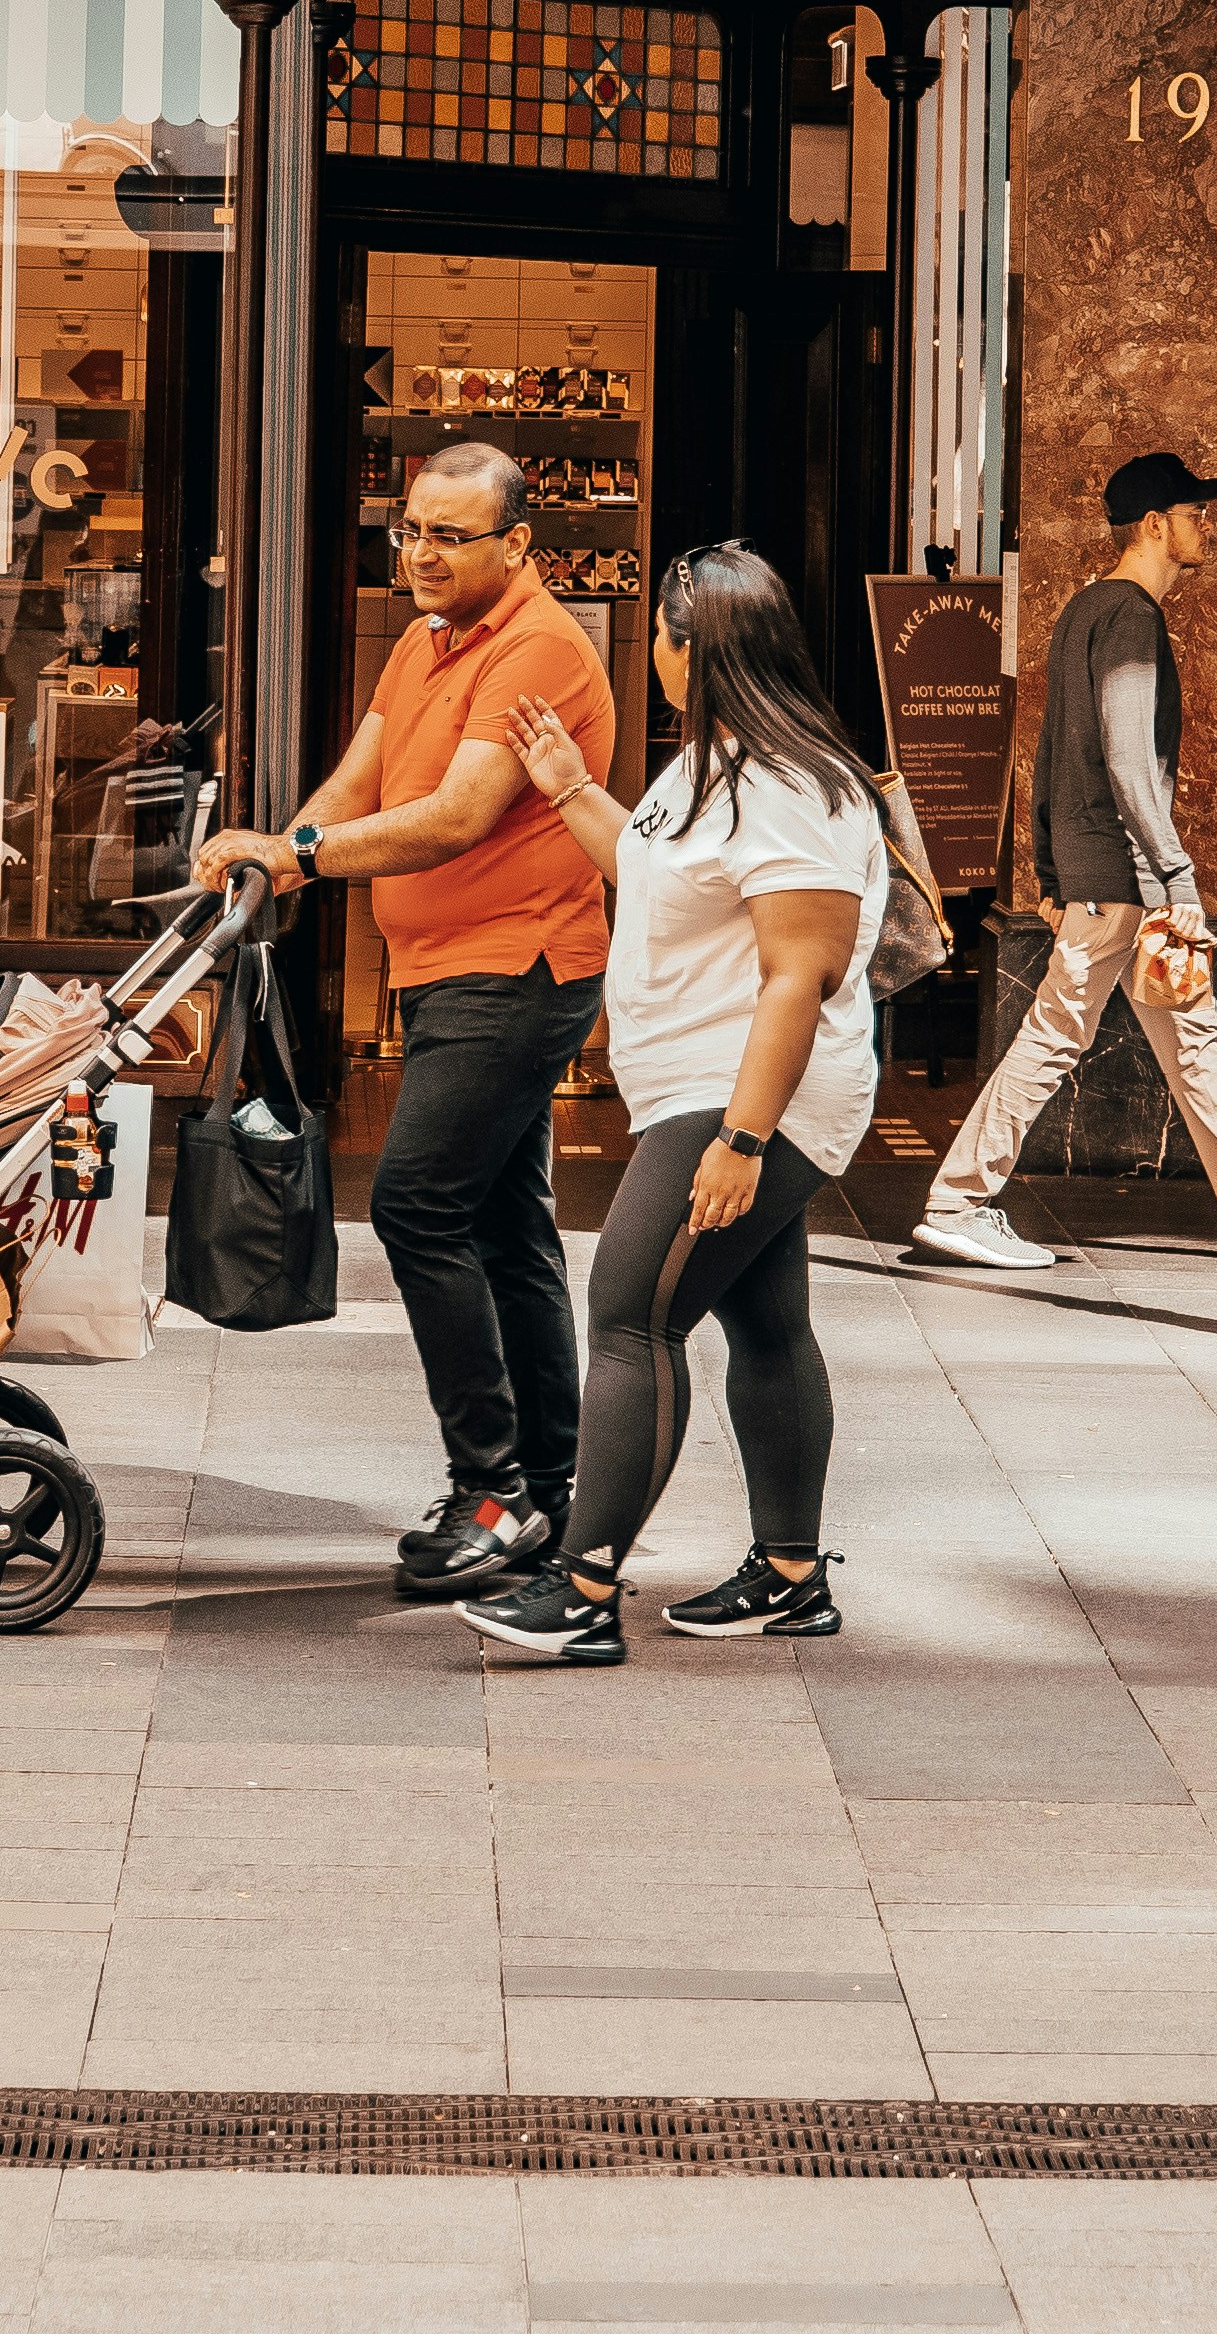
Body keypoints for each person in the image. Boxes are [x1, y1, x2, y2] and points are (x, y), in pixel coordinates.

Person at [190, 438, 613, 1602]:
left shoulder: (538, 650)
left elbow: (456, 817)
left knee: (420, 1204)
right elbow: (364, 781)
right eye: (410, 529)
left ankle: (493, 1484)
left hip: (515, 968)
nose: (421, 553)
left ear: (517, 543)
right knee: (509, 1223)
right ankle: (553, 1487)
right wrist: (282, 858)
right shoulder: (428, 641)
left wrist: (302, 855)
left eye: (449, 534)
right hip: (443, 967)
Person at [464, 545, 890, 1669]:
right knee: (764, 1319)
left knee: (628, 1313)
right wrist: (567, 788)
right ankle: (791, 1578)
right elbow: (655, 875)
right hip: (703, 1082)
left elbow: (802, 972)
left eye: (660, 630)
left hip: (747, 1092)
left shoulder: (791, 787)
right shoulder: (709, 764)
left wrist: (744, 1139)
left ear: (693, 647)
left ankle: (584, 1588)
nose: (650, 649)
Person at [914, 450, 1217, 1274]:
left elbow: (1046, 752)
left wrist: (1048, 869)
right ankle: (959, 1200)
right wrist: (1175, 879)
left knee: (1190, 1039)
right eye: (1195, 513)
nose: (1206, 525)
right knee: (1053, 1036)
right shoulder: (1131, 618)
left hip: (1101, 878)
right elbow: (1125, 759)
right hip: (1128, 884)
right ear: (1154, 526)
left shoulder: (1083, 609)